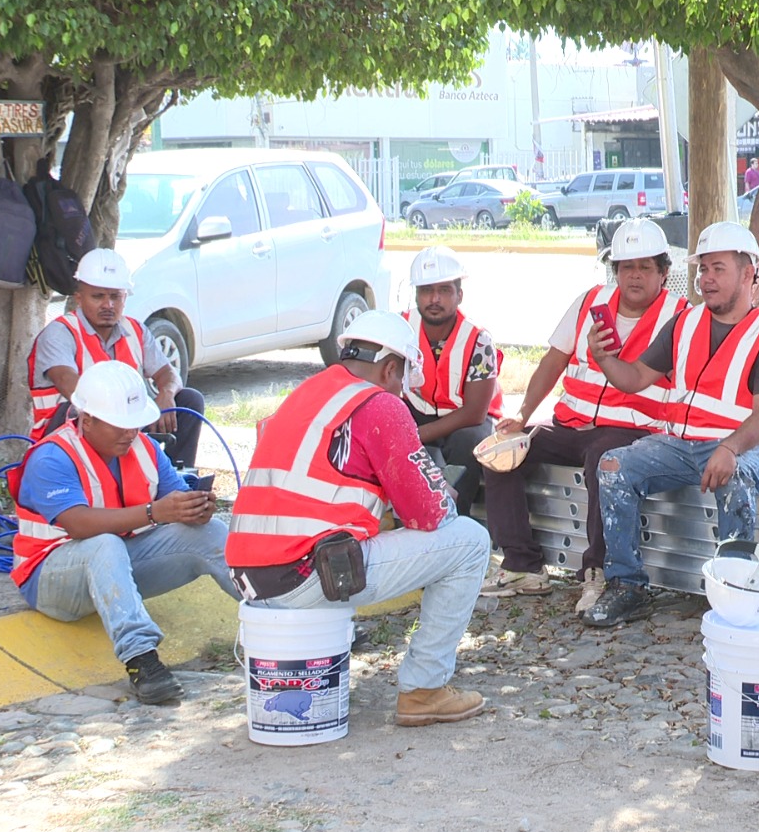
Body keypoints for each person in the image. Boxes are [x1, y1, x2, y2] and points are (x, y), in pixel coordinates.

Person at [226, 310, 491, 727]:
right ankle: (424, 690)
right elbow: (430, 514)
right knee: (470, 541)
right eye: (403, 382)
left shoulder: (308, 394)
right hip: (305, 573)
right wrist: (440, 490)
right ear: (389, 369)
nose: (403, 394)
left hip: (252, 579)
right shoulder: (379, 404)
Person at [579, 222, 759, 627]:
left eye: (717, 269)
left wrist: (729, 448)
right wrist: (605, 358)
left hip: (752, 450)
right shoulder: (684, 324)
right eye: (702, 270)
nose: (705, 280)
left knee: (733, 479)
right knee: (612, 466)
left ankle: (736, 592)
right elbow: (635, 378)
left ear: (748, 273)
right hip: (683, 445)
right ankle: (627, 585)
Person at [480, 219, 688, 614]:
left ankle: (596, 571)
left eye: (646, 267)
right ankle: (523, 566)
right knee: (502, 450)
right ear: (615, 272)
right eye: (627, 267)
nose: (635, 276)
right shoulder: (590, 302)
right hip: (571, 424)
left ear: (664, 272)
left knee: (604, 461)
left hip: (632, 430)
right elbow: (552, 361)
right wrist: (522, 416)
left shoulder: (679, 316)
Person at [10, 361, 237, 704]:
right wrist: (154, 512)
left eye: (135, 424)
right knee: (103, 543)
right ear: (87, 420)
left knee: (211, 533)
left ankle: (279, 612)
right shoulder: (52, 457)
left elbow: (173, 504)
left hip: (115, 565)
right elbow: (78, 524)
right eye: (121, 425)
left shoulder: (143, 447)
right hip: (49, 580)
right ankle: (142, 662)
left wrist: (196, 510)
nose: (131, 433)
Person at [27, 248, 206, 468]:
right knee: (78, 410)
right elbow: (71, 387)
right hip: (69, 428)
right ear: (79, 299)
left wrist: (166, 394)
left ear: (125, 297)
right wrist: (126, 416)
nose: (108, 305)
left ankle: (176, 476)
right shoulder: (60, 334)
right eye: (98, 296)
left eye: (115, 296)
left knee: (188, 400)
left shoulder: (136, 330)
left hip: (122, 423)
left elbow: (168, 373)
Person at [402, 245, 502, 517]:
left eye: (444, 290)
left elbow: (474, 412)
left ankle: (455, 521)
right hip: (419, 411)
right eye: (426, 290)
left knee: (469, 442)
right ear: (416, 294)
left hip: (466, 419)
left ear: (459, 295)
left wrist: (415, 436)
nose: (434, 299)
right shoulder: (399, 328)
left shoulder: (479, 340)